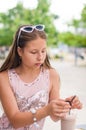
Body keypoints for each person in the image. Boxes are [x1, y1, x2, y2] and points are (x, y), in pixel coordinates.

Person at [0, 24, 82, 130]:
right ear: (20, 51)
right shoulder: (4, 78)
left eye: (43, 51)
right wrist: (46, 110)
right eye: (33, 52)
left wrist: (66, 105)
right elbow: (15, 121)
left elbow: (55, 117)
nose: (40, 57)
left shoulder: (51, 75)